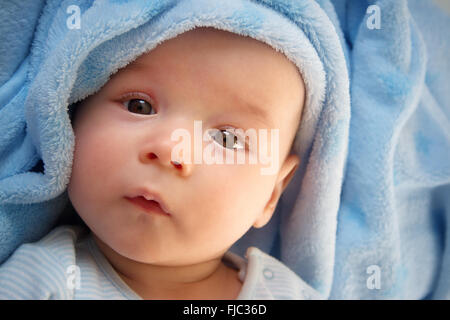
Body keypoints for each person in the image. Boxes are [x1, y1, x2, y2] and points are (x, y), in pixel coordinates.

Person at [0, 27, 323, 300]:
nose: (171, 151)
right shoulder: (42, 281)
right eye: (139, 106)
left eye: (226, 139)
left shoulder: (285, 293)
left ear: (271, 194)